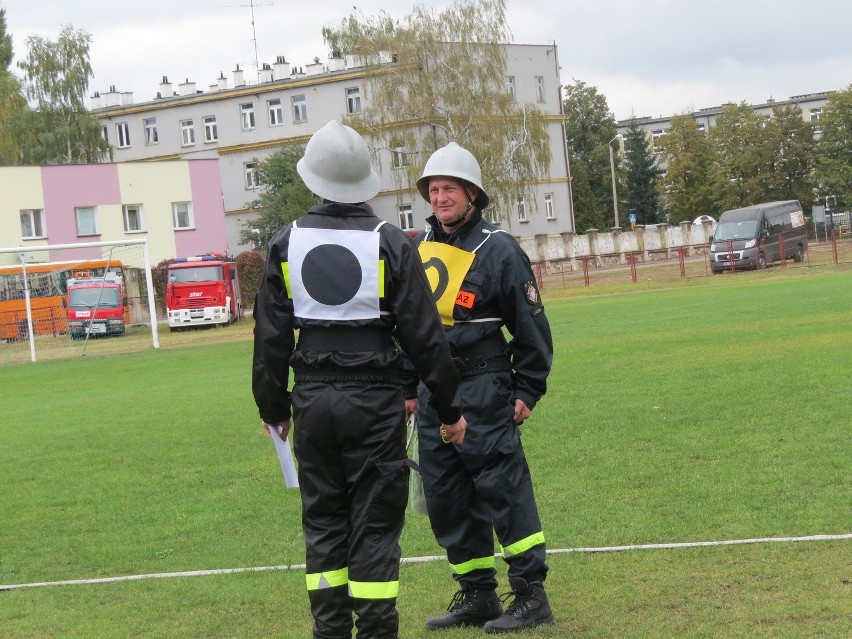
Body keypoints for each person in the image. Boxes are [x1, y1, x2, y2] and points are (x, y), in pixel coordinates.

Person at [252, 121, 467, 639]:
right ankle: (375, 631)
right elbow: (424, 336)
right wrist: (450, 407)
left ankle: (329, 631)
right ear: (363, 180)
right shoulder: (390, 242)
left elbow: (270, 336)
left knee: (324, 523)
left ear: (314, 180)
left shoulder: (286, 242)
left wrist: (273, 408)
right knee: (374, 525)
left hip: (312, 398)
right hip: (374, 399)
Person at [405, 142, 554, 633]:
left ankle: (532, 595)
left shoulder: (499, 249)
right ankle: (478, 595)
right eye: (433, 189)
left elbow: (531, 326)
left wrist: (527, 389)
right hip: (433, 393)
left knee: (502, 490)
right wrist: (410, 388)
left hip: (484, 385)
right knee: (447, 496)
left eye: (449, 188)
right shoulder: (417, 250)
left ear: (472, 194)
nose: (440, 197)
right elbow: (408, 330)